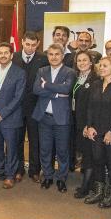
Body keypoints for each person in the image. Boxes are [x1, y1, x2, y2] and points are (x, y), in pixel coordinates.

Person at [82, 56, 111, 208]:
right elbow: (89, 107)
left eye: (105, 65)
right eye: (100, 65)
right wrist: (89, 126)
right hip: (96, 130)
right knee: (97, 161)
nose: (101, 68)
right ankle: (99, 191)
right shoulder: (96, 85)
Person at [32, 43, 75, 192]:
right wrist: (56, 93)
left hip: (61, 118)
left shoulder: (70, 72)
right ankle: (48, 176)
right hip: (44, 117)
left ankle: (61, 178)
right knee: (45, 149)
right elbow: (36, 89)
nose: (54, 57)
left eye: (57, 54)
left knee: (62, 151)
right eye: (51, 54)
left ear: (62, 56)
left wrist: (47, 85)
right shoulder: (42, 70)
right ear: (48, 56)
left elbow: (66, 89)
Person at [0, 43, 27, 189]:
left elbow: (18, 97)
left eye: (6, 53)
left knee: (11, 148)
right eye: (0, 53)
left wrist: (3, 113)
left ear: (11, 55)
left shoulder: (20, 73)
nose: (3, 55)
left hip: (11, 117)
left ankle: (10, 175)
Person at [14, 32, 48, 183]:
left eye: (33, 45)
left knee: (35, 140)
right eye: (27, 44)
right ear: (22, 42)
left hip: (35, 107)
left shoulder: (43, 59)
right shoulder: (13, 57)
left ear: (38, 44)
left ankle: (35, 170)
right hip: (16, 107)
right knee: (17, 140)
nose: (30, 48)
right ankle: (18, 169)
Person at [71, 51, 99, 199]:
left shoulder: (95, 79)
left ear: (91, 62)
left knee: (89, 156)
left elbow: (93, 105)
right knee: (85, 153)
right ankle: (90, 184)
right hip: (78, 121)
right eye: (79, 60)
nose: (82, 63)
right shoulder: (78, 77)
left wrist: (88, 125)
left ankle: (86, 187)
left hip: (88, 124)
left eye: (85, 60)